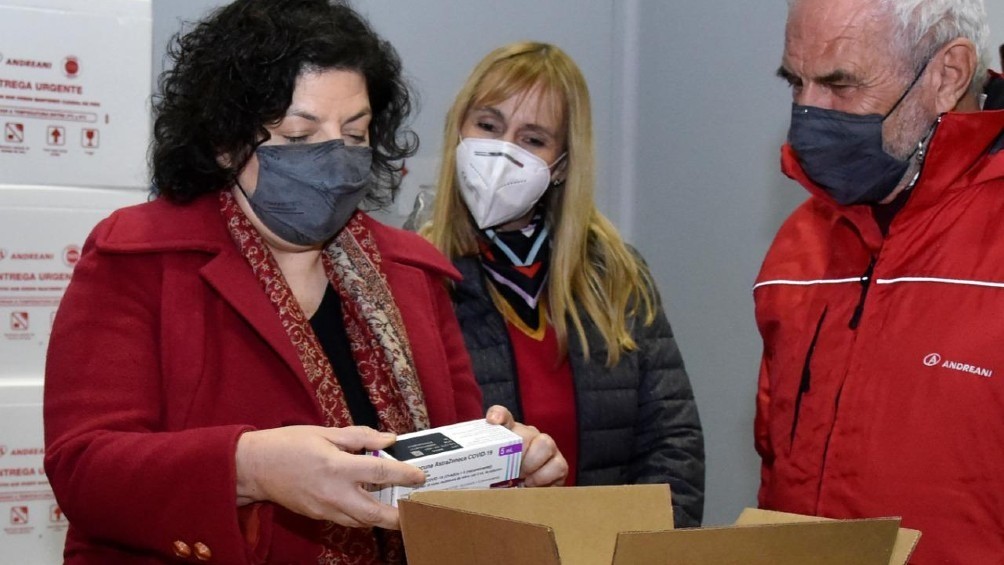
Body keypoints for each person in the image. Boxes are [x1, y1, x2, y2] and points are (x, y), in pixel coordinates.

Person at [42, 2, 566, 563]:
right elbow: (84, 469)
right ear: (225, 141)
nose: (336, 158)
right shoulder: (141, 258)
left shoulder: (413, 272)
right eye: (298, 135)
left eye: (355, 132)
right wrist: (248, 468)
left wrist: (505, 464)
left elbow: (445, 471)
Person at [756, 0, 1004, 562]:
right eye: (795, 83)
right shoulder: (799, 246)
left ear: (948, 76)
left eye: (839, 84)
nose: (808, 113)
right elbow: (777, 469)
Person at [422, 42, 705, 527]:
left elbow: (672, 444)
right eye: (488, 125)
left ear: (562, 164)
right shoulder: (418, 277)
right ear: (458, 131)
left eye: (533, 139)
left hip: (607, 549)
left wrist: (644, 548)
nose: (503, 151)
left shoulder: (616, 275)